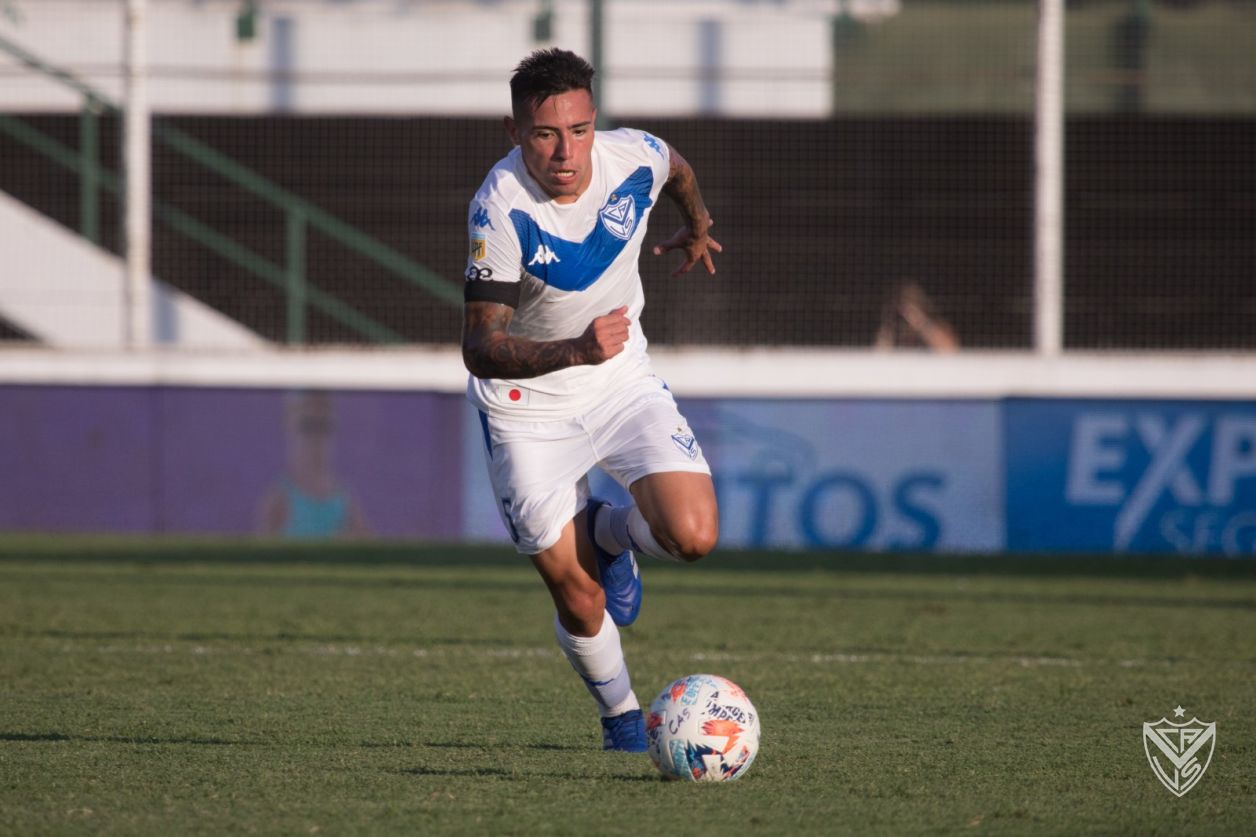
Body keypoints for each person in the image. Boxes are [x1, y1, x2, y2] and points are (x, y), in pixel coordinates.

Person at [461, 49, 721, 752]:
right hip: (526, 407)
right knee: (581, 598)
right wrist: (576, 349)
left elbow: (675, 166)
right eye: (545, 134)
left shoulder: (631, 156)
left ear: (594, 122)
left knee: (694, 536)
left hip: (618, 382)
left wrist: (697, 223)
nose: (565, 152)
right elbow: (481, 347)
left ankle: (609, 535)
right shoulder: (500, 208)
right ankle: (624, 721)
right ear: (515, 132)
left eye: (578, 130)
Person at [257, 390, 370, 538]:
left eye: (323, 426)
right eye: (308, 426)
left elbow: (368, 545)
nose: (316, 439)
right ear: (291, 428)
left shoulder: (345, 502)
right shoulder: (280, 500)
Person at [873, 280, 960, 352]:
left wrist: (920, 322)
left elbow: (951, 351)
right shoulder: (894, 331)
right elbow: (878, 359)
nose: (906, 314)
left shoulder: (936, 327)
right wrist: (888, 327)